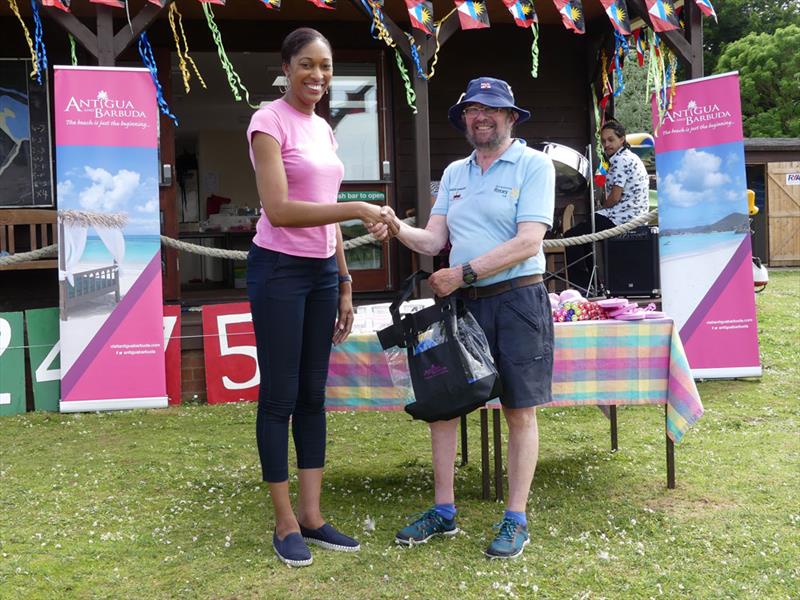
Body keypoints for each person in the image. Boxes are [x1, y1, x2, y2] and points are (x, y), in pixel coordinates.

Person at [370, 77, 555, 560]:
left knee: (519, 410)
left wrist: (464, 272)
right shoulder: (454, 173)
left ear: (511, 117)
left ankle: (516, 518)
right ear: (464, 120)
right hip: (464, 306)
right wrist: (395, 225)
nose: (480, 116)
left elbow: (529, 242)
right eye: (472, 109)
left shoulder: (534, 165)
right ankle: (443, 511)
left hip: (518, 301)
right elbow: (433, 241)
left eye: (491, 109)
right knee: (444, 404)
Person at [246, 27, 393, 567]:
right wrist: (358, 209)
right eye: (306, 65)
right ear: (286, 67)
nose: (317, 76)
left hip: (320, 275)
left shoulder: (323, 130)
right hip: (279, 271)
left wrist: (346, 281)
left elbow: (324, 212)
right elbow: (281, 210)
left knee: (313, 395)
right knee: (280, 396)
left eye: (325, 66)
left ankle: (312, 514)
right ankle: (284, 521)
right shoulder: (268, 122)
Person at [563, 120, 650, 294]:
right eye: (603, 141)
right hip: (634, 214)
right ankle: (593, 285)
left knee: (572, 236)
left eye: (611, 140)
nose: (606, 144)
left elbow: (615, 198)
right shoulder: (628, 156)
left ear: (622, 139)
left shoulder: (619, 160)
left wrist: (601, 206)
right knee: (585, 234)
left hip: (623, 216)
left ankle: (582, 287)